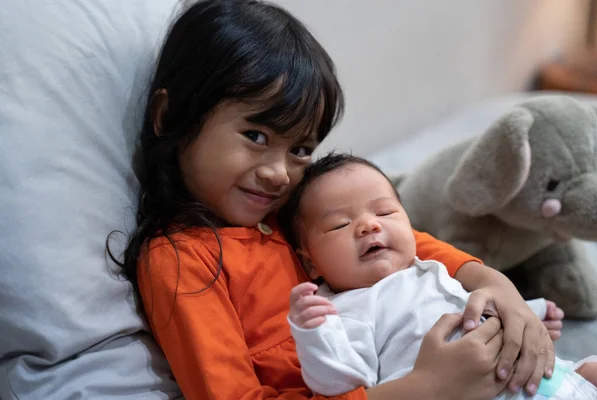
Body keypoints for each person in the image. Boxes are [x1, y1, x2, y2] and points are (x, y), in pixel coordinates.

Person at [110, 1, 563, 399]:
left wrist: (496, 285)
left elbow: (409, 244)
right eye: (255, 135)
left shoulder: (279, 210)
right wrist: (425, 389)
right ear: (167, 116)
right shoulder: (181, 261)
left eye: (300, 150)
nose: (278, 172)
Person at [280, 153, 597, 399]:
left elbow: (471, 308)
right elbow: (339, 382)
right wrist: (313, 335)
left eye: (384, 212)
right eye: (339, 224)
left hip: (548, 377)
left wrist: (530, 312)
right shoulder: (345, 310)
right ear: (310, 265)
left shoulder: (426, 268)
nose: (369, 225)